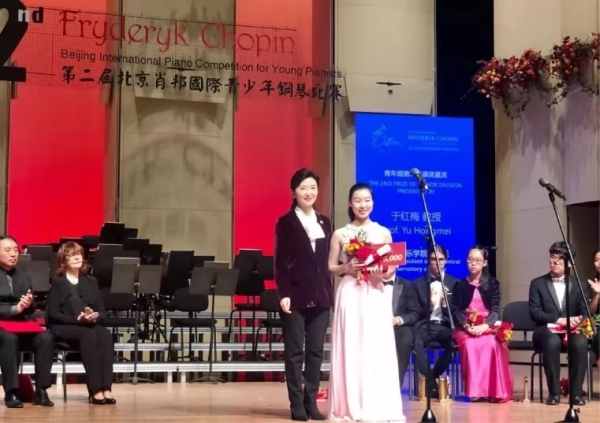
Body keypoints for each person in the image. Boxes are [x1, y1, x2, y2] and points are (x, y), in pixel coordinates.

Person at [328, 183, 405, 422]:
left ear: (373, 202)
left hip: (375, 292)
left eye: (367, 200)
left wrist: (384, 271)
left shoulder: (383, 233)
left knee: (376, 346)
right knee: (351, 346)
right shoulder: (340, 234)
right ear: (350, 204)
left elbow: (391, 267)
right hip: (350, 292)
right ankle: (350, 405)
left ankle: (376, 404)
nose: (363, 205)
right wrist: (347, 267)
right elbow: (330, 268)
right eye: (358, 200)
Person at [274, 169, 333, 421]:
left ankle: (312, 402)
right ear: (293, 192)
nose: (308, 193)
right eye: (303, 188)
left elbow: (327, 260)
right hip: (295, 295)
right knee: (295, 352)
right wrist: (283, 293)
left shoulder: (325, 222)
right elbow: (280, 262)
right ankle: (296, 403)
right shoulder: (286, 222)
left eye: (312, 188)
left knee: (316, 351)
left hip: (321, 295)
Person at [46, 242, 116, 405]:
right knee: (88, 334)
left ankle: (106, 387)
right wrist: (78, 319)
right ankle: (95, 389)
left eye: (78, 254)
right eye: (71, 255)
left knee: (105, 334)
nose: (77, 257)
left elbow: (102, 310)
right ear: (63, 260)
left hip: (88, 324)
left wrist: (94, 317)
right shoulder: (58, 282)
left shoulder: (91, 281)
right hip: (64, 326)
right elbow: (53, 314)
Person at [529, 241, 589, 405]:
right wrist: (558, 320)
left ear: (569, 263)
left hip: (572, 330)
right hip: (546, 329)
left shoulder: (580, 285)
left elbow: (585, 313)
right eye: (552, 257)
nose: (554, 262)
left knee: (580, 342)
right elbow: (534, 313)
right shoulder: (537, 283)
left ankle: (576, 394)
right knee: (552, 341)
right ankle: (554, 393)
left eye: (559, 258)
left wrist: (577, 321)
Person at [451, 246, 513, 402]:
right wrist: (467, 326)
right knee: (470, 345)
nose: (473, 263)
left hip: (487, 325)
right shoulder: (459, 285)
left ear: (484, 263)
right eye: (470, 260)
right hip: (466, 326)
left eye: (477, 260)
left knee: (492, 343)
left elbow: (495, 309)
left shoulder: (493, 284)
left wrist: (485, 326)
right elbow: (457, 311)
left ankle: (492, 390)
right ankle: (475, 391)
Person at [0, 235, 55, 408]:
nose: (13, 254)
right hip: (2, 325)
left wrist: (29, 304)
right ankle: (11, 392)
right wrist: (14, 309)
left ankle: (41, 390)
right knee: (9, 339)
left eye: (15, 250)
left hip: (19, 324)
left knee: (46, 338)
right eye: (8, 250)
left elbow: (31, 308)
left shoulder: (24, 277)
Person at [412, 245, 459, 397]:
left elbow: (457, 314)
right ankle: (433, 382)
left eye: (441, 259)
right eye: (433, 259)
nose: (437, 263)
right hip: (425, 325)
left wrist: (445, 305)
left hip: (445, 326)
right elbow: (415, 314)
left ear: (446, 261)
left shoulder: (455, 284)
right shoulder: (418, 284)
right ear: (428, 261)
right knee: (413, 339)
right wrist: (430, 305)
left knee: (455, 341)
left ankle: (431, 378)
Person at [387, 275, 420, 388]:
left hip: (399, 326)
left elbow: (414, 314)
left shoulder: (407, 285)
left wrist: (398, 320)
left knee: (405, 339)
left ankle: (396, 383)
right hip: (376, 326)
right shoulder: (370, 285)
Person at [587, 251, 599, 366]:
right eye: (596, 260)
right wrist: (596, 295)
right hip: (595, 325)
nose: (599, 263)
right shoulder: (592, 284)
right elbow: (590, 312)